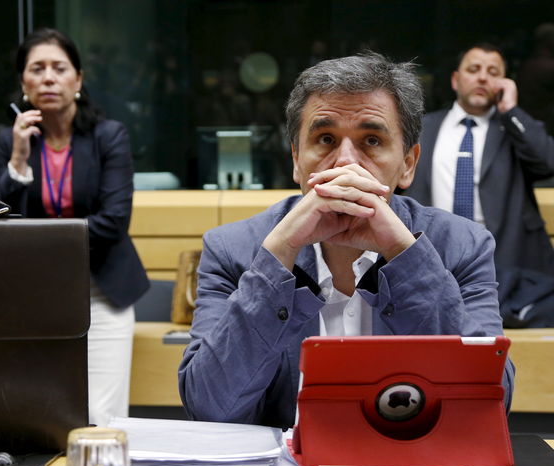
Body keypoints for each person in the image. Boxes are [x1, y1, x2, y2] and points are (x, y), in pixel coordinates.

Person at [178, 53, 515, 429]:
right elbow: (209, 408)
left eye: (371, 140)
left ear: (407, 164)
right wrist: (277, 258)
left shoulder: (461, 245)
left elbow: (489, 403)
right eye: (325, 139)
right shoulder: (234, 249)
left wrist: (405, 257)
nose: (346, 164)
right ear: (296, 159)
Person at [0, 28, 149, 426]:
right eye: (37, 69)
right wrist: (19, 162)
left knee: (100, 416)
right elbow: (2, 228)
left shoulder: (108, 136)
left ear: (77, 80)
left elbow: (113, 222)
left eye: (59, 68)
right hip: (36, 293)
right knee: (38, 412)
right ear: (23, 82)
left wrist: (42, 242)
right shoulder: (10, 143)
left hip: (102, 291)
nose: (48, 77)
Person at [403, 43, 554, 276]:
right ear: (455, 80)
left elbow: (546, 162)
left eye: (493, 72)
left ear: (504, 83)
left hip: (503, 262)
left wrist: (510, 110)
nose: (483, 78)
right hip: (430, 256)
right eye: (474, 69)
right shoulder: (423, 128)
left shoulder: (513, 129)